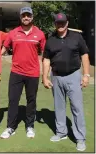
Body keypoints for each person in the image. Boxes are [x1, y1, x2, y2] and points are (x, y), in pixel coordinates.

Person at [42, 13, 90, 151]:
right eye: (58, 23)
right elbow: (46, 60)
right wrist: (44, 77)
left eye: (63, 22)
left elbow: (85, 55)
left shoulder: (77, 37)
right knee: (59, 107)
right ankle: (61, 132)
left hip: (73, 75)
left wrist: (86, 74)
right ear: (55, 24)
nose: (60, 25)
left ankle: (80, 138)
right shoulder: (50, 40)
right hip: (56, 76)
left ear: (67, 23)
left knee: (77, 108)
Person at [0, 7, 46, 139]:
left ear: (32, 17)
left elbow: (45, 53)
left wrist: (46, 71)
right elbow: (4, 48)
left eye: (28, 15)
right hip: (16, 72)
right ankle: (10, 127)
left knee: (31, 100)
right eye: (23, 15)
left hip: (33, 73)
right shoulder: (13, 33)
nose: (26, 18)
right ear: (20, 17)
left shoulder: (40, 34)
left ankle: (30, 126)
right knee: (13, 100)